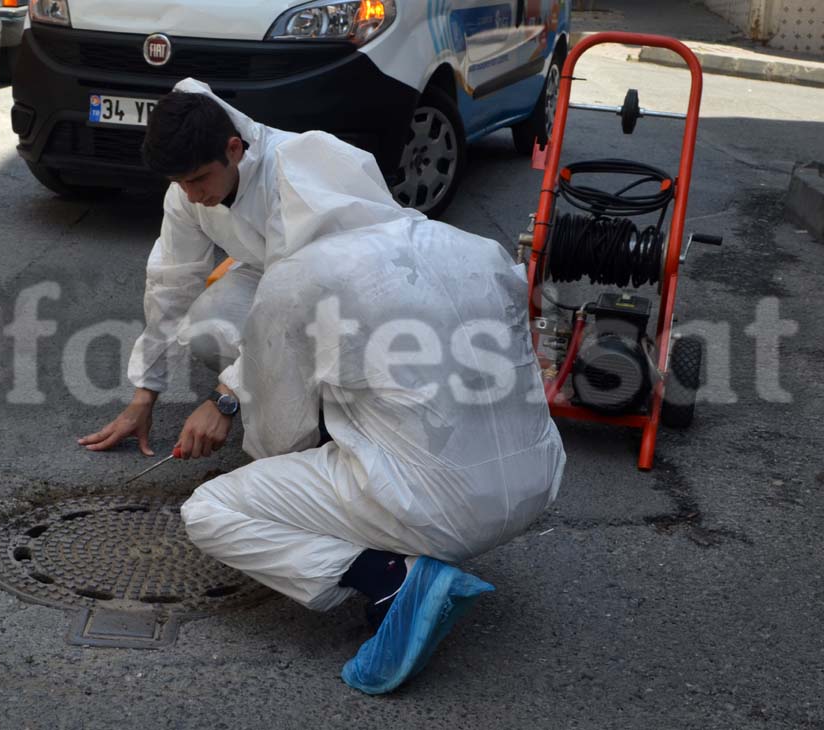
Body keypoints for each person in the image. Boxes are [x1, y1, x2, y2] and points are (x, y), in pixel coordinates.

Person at [79, 78, 566, 694]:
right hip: (536, 478)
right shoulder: (479, 253)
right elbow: (171, 283)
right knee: (241, 331)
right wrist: (145, 390)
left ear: (235, 150)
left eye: (199, 181)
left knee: (222, 502)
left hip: (432, 504)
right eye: (182, 186)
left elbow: (278, 428)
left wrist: (234, 407)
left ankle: (391, 575)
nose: (193, 198)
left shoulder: (306, 211)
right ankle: (359, 458)